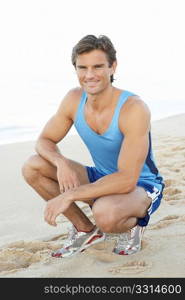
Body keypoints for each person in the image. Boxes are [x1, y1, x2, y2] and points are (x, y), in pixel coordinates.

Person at [22, 34, 164, 258]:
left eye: (98, 66)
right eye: (82, 68)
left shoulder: (133, 108)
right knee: (33, 166)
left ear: (112, 67)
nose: (89, 75)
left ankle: (136, 224)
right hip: (102, 177)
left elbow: (127, 178)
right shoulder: (73, 99)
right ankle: (85, 230)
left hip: (140, 185)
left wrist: (69, 195)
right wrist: (61, 163)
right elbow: (44, 141)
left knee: (106, 215)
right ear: (75, 69)